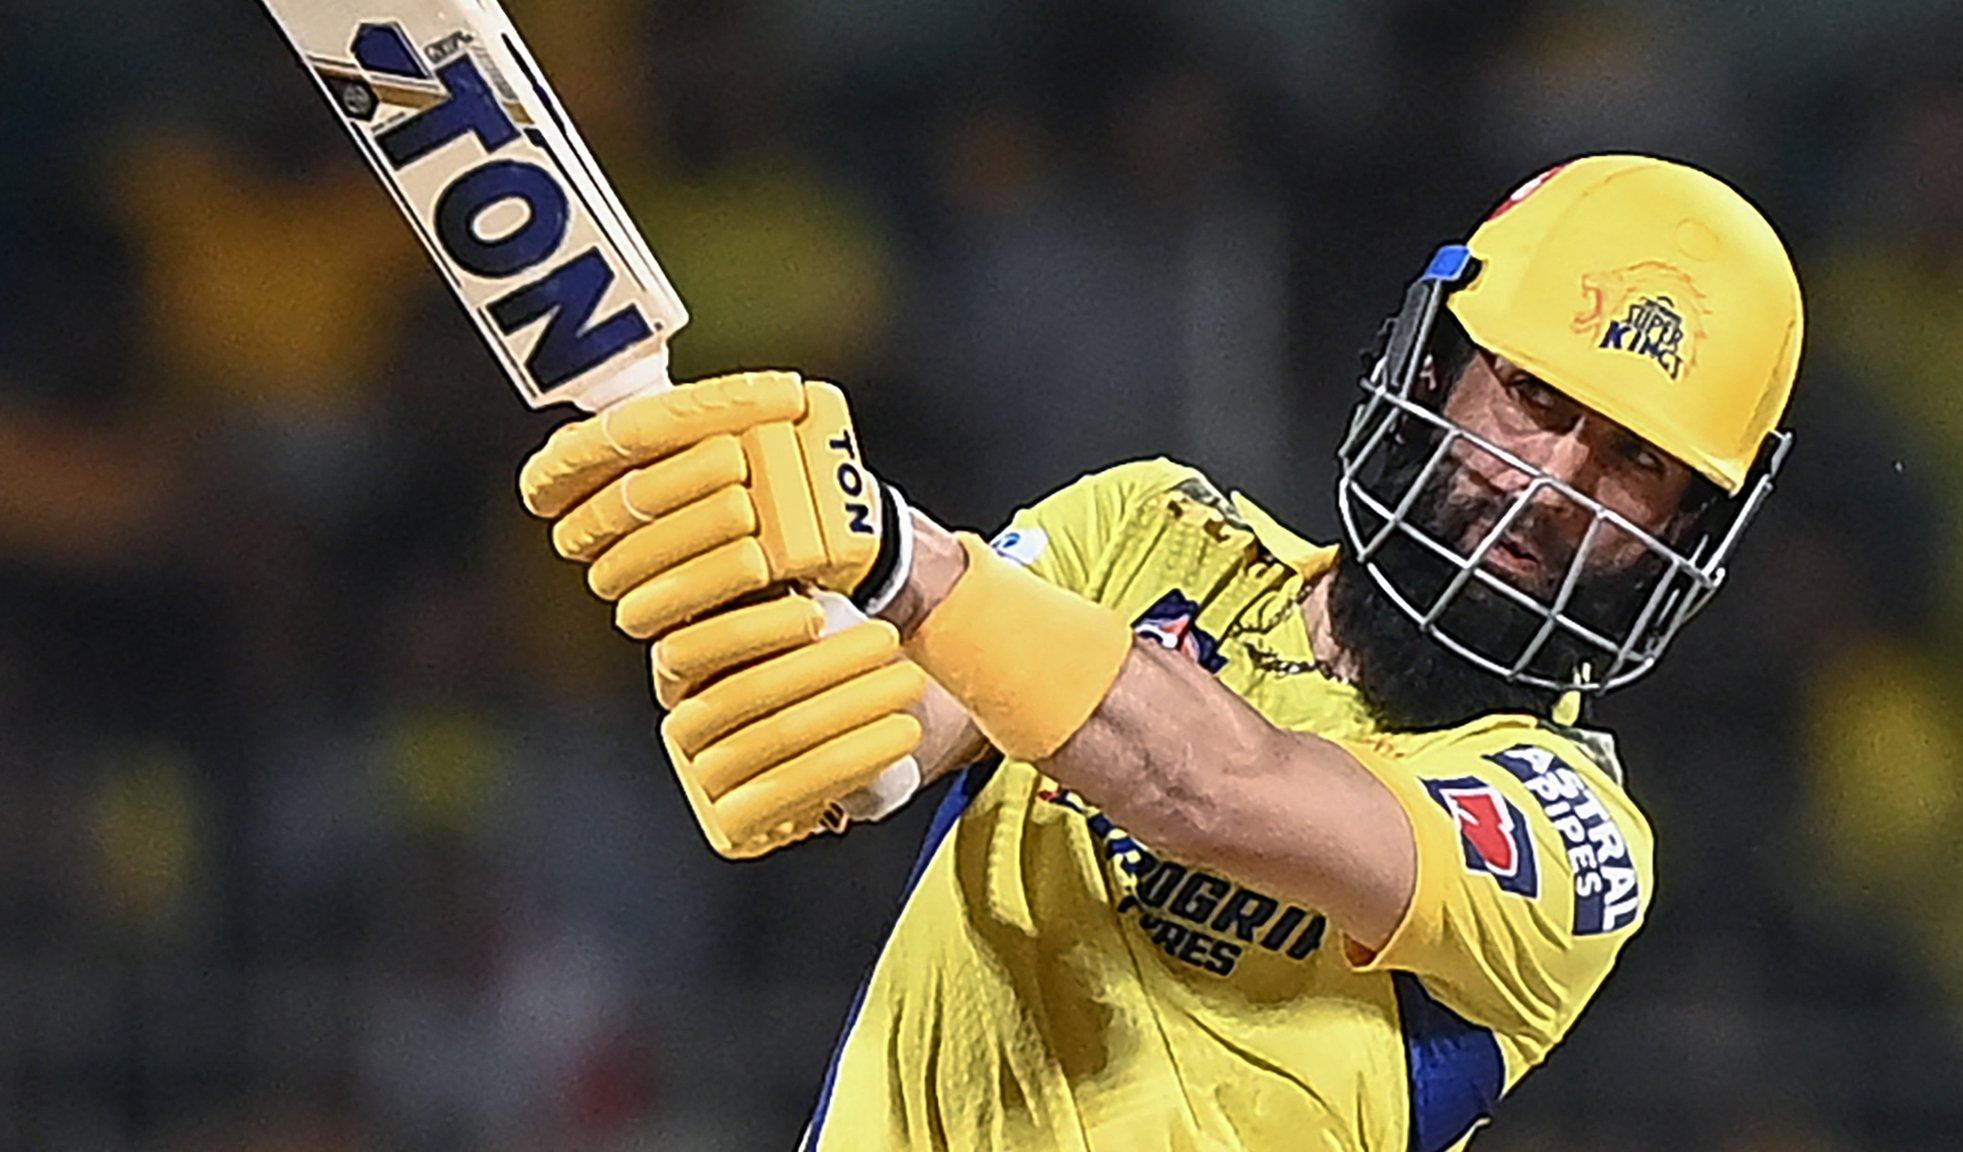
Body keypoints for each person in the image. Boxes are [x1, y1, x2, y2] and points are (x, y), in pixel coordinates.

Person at [516, 153, 1803, 1152]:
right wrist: (743, 611)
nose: (1553, 485)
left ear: (1692, 527)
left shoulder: (1571, 834)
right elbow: (863, 739)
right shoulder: (1143, 530)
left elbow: (1216, 791)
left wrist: (898, 557)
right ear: (1438, 365)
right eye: (1532, 400)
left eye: (1633, 463)